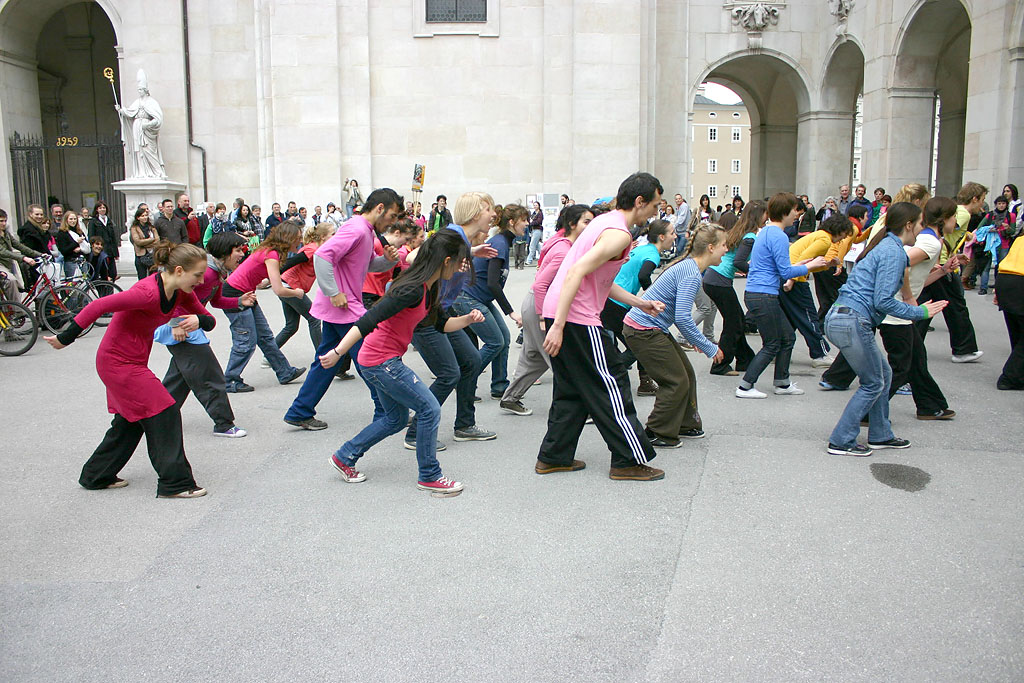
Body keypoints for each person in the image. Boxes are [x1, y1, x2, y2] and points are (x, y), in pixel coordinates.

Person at [43, 241, 214, 498]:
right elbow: (98, 305)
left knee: (131, 420)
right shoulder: (147, 292)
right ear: (179, 270)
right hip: (116, 363)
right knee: (165, 410)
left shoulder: (181, 292)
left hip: (133, 361)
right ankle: (176, 484)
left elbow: (208, 321)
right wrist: (65, 338)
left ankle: (95, 475)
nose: (201, 281)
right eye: (197, 275)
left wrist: (197, 319)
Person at [319, 230, 481, 495]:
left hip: (380, 359)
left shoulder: (430, 287)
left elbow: (442, 325)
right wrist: (338, 352)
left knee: (395, 419)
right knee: (429, 409)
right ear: (446, 260)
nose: (460, 268)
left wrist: (468, 319)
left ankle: (344, 456)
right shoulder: (411, 289)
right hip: (380, 361)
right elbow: (368, 320)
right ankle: (430, 475)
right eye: (459, 262)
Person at [537, 172, 667, 482]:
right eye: (655, 205)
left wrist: (640, 303)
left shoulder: (604, 222)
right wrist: (558, 326)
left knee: (572, 390)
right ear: (640, 201)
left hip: (563, 311)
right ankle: (628, 460)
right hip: (576, 317)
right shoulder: (618, 233)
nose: (655, 213)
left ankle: (553, 457)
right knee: (613, 383)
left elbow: (600, 281)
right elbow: (577, 272)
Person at [823, 202, 948, 456]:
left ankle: (880, 434)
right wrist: (920, 312)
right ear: (909, 225)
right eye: (920, 223)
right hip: (851, 320)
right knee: (873, 382)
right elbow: (883, 301)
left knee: (884, 374)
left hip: (845, 318)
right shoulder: (893, 252)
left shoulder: (888, 247)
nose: (923, 229)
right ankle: (841, 440)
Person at [283, 189, 404, 430]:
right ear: (380, 208)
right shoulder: (357, 228)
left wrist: (388, 261)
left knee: (327, 361)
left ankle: (300, 410)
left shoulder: (365, 230)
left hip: (343, 307)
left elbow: (368, 265)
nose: (392, 222)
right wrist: (333, 292)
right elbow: (321, 256)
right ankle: (386, 412)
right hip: (345, 307)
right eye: (392, 216)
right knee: (371, 359)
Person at [402, 192, 499, 449]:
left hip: (440, 314)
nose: (493, 214)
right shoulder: (454, 234)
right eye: (488, 209)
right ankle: (415, 433)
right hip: (424, 317)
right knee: (449, 374)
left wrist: (471, 251)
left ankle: (465, 425)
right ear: (475, 213)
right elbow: (412, 258)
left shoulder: (462, 240)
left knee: (472, 360)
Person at [624, 223, 728, 448]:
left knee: (686, 374)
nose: (727, 250)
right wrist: (708, 346)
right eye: (724, 245)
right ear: (711, 247)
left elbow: (681, 317)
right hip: (643, 330)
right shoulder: (691, 273)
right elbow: (682, 317)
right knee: (675, 380)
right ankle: (656, 432)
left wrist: (696, 340)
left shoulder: (690, 267)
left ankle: (686, 424)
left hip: (650, 328)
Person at [158, 232, 257, 438]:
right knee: (210, 377)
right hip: (183, 328)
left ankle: (156, 416)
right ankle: (223, 424)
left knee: (178, 380)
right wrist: (176, 323)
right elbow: (174, 293)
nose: (242, 254)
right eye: (238, 250)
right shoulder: (209, 272)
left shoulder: (217, 272)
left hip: (189, 326)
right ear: (225, 252)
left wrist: (239, 301)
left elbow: (216, 301)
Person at [500, 204, 594, 416]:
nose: (591, 226)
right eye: (586, 222)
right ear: (572, 224)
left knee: (534, 359)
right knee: (559, 358)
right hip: (540, 307)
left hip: (537, 306)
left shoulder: (565, 245)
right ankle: (583, 407)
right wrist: (543, 318)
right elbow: (541, 285)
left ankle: (510, 398)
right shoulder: (564, 251)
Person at [737, 192, 828, 399]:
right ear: (785, 212)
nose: (797, 214)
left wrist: (800, 264)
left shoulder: (767, 232)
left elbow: (775, 267)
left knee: (787, 337)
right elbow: (785, 272)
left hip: (759, 293)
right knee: (773, 343)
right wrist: (810, 266)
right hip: (764, 295)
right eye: (795, 210)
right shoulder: (778, 235)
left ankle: (782, 383)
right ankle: (745, 386)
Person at [221, 221, 307, 393]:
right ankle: (229, 380)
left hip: (243, 292)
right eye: (298, 238)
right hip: (236, 294)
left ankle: (285, 372)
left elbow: (263, 277)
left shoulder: (269, 250)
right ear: (288, 238)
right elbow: (279, 289)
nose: (300, 241)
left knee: (265, 336)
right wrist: (297, 293)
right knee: (246, 341)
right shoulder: (272, 254)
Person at [454, 204, 527, 399]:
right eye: (524, 220)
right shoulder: (500, 243)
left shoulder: (502, 241)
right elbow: (493, 283)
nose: (527, 224)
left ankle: (499, 386)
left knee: (504, 339)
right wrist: (511, 312)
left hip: (480, 297)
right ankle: (464, 381)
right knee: (495, 342)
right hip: (468, 297)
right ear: (511, 222)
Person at [602, 218, 674, 395]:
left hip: (612, 298)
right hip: (616, 301)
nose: (675, 236)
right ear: (661, 237)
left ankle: (644, 382)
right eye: (672, 233)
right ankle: (609, 379)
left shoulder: (642, 248)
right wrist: (651, 296)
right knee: (638, 344)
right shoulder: (653, 254)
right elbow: (643, 275)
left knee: (638, 342)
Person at [919, 181, 984, 363]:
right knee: (955, 306)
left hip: (942, 262)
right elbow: (943, 234)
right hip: (941, 264)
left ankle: (912, 344)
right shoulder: (962, 213)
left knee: (927, 304)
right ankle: (963, 349)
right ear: (975, 198)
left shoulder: (960, 214)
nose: (982, 204)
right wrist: (941, 261)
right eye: (982, 199)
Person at [780, 214, 854, 366]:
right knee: (810, 318)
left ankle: (780, 351)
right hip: (795, 279)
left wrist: (829, 264)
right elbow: (804, 260)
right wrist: (792, 280)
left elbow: (808, 262)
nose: (843, 239)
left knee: (791, 318)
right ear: (839, 230)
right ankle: (819, 354)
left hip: (786, 275)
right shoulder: (825, 240)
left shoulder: (819, 235)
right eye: (844, 234)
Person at [702, 203, 763, 375]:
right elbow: (739, 261)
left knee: (737, 320)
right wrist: (756, 271)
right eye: (765, 214)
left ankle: (745, 359)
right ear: (758, 216)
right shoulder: (750, 236)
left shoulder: (741, 231)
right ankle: (720, 364)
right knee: (734, 324)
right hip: (719, 280)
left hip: (714, 278)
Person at [275, 221, 335, 357]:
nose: (335, 236)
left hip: (287, 284)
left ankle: (270, 355)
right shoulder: (313, 249)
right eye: (332, 234)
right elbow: (291, 261)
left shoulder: (317, 248)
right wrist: (271, 275)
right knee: (314, 318)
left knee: (291, 326)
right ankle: (322, 356)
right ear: (322, 236)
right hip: (290, 286)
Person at [995, 220, 1024, 390]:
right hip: (1020, 282)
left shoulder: (1020, 239)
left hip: (1005, 279)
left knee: (1017, 333)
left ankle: (1019, 374)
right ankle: (1010, 377)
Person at [0, 208, 42, 301]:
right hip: (1, 265)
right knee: (11, 281)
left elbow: (19, 246)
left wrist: (39, 254)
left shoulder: (6, 233)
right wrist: (23, 258)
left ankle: (11, 307)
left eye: (5, 221)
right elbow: (3, 251)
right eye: (1, 221)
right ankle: (17, 309)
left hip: (8, 264)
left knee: (20, 286)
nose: (3, 223)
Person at [86, 200, 120, 279]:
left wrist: (116, 253)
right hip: (100, 250)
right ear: (97, 209)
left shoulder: (109, 221)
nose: (102, 209)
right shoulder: (93, 222)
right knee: (103, 273)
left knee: (112, 273)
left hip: (110, 251)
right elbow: (91, 236)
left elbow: (113, 238)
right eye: (100, 208)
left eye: (104, 207)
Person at [128, 205, 160, 279]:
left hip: (151, 254)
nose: (145, 217)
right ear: (138, 217)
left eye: (146, 215)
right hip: (140, 255)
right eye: (142, 216)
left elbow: (157, 240)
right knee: (142, 277)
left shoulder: (151, 227)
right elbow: (138, 242)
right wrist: (151, 240)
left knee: (153, 277)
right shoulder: (134, 228)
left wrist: (145, 243)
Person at [55, 211, 88, 278]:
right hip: (71, 262)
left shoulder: (79, 231)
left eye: (75, 219)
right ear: (66, 220)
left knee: (85, 280)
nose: (73, 221)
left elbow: (86, 243)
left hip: (82, 261)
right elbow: (63, 250)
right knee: (73, 282)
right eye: (71, 219)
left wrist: (81, 249)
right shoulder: (62, 233)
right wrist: (76, 243)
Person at [525, 201, 544, 266]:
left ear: (539, 206)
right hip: (533, 230)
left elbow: (538, 221)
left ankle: (529, 260)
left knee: (532, 245)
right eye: (534, 205)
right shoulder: (533, 213)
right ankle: (544, 257)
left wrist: (531, 223)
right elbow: (529, 220)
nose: (535, 206)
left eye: (536, 205)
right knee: (537, 246)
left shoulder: (540, 213)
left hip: (537, 230)